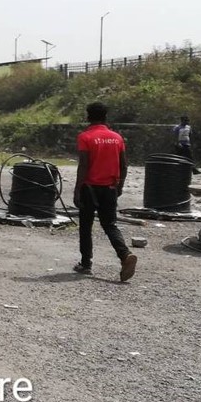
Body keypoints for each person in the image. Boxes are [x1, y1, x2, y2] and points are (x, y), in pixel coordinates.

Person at [73, 101, 138, 281]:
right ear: (105, 117)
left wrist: (77, 190)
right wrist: (119, 186)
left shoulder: (85, 137)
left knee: (86, 226)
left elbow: (84, 165)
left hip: (90, 188)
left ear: (88, 116)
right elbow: (123, 165)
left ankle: (86, 263)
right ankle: (125, 255)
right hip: (110, 188)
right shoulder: (117, 138)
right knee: (110, 224)